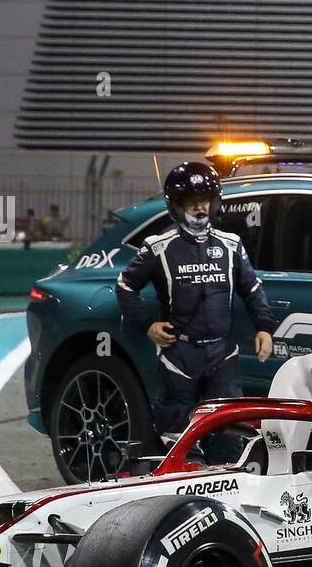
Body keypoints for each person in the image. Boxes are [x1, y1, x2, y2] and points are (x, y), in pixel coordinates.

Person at [115, 162, 276, 463]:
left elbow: (252, 289)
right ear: (177, 206)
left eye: (205, 200)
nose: (200, 208)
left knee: (231, 438)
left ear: (215, 202)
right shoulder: (157, 247)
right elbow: (125, 286)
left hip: (222, 354)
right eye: (192, 202)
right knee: (180, 444)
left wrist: (264, 326)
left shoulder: (231, 245)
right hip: (179, 355)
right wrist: (147, 325)